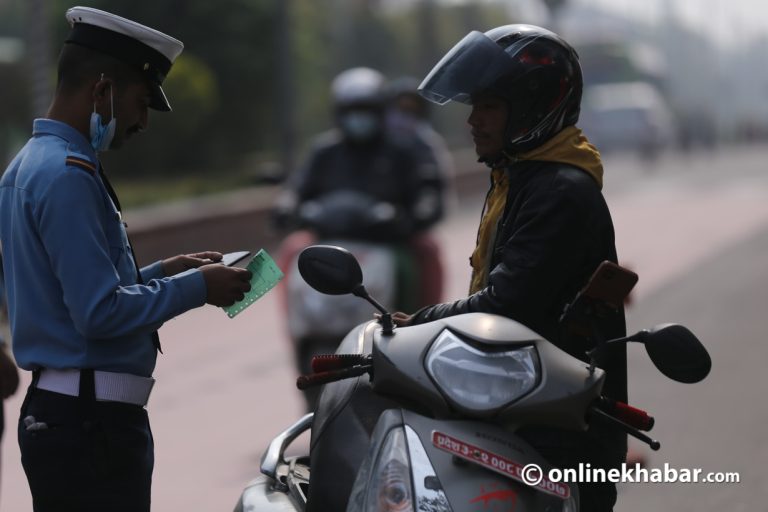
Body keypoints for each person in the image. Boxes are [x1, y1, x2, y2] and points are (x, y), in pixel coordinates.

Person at [0, 7, 252, 511]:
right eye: (139, 103)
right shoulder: (68, 175)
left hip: (75, 416)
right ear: (101, 89)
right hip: (88, 426)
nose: (139, 122)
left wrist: (166, 272)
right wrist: (199, 288)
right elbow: (98, 314)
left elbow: (72, 295)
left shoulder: (32, 164)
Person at [395, 25, 628, 511]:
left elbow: (505, 306)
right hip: (520, 408)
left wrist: (417, 324)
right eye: (474, 107)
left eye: (491, 108)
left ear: (534, 110)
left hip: (559, 434)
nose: (474, 121)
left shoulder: (559, 191)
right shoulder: (521, 177)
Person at [273, 67, 446, 408]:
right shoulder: (324, 152)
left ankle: (422, 324)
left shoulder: (404, 150)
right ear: (339, 113)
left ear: (381, 112)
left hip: (389, 243)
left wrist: (417, 213)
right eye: (352, 111)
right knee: (291, 250)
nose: (359, 119)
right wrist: (287, 207)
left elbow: (428, 191)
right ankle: (298, 331)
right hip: (329, 241)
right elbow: (297, 190)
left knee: (426, 249)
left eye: (366, 111)